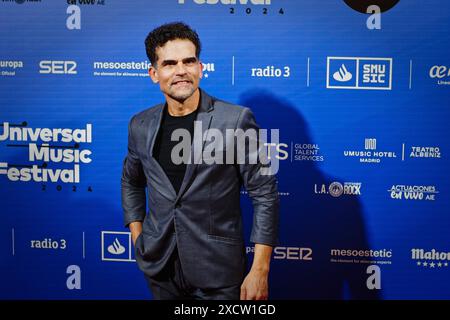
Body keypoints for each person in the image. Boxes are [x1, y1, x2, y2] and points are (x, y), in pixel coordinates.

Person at [121, 22, 279, 300]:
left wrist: (260, 270)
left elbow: (265, 195)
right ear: (154, 74)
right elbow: (131, 181)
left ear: (200, 67)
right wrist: (138, 238)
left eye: (189, 61)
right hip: (160, 268)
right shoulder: (140, 124)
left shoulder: (236, 120)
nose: (181, 70)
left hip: (218, 272)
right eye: (169, 63)